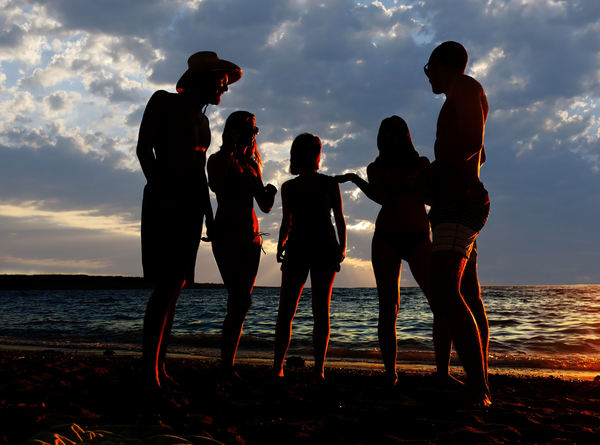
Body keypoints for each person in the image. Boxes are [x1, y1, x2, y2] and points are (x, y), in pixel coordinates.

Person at [137, 51, 241, 390]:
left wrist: (209, 217)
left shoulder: (205, 121)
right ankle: (148, 371)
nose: (224, 89)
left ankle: (160, 366)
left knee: (178, 285)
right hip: (164, 200)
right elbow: (143, 150)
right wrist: (160, 190)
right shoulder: (164, 102)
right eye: (221, 82)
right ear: (205, 78)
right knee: (166, 284)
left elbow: (198, 173)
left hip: (192, 205)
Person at [336, 116, 432, 386]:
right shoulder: (375, 167)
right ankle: (391, 372)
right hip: (386, 236)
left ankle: (444, 372)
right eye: (385, 134)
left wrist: (412, 181)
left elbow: (427, 194)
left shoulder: (421, 163)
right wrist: (356, 178)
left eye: (394, 133)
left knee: (438, 301)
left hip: (418, 234)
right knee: (388, 306)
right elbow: (383, 197)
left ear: (404, 136)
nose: (388, 139)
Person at [423, 41, 491, 405]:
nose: (427, 75)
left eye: (428, 67)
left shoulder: (465, 88)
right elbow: (482, 153)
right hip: (460, 198)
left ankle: (478, 387)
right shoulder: (469, 95)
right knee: (467, 296)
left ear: (442, 64)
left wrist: (433, 172)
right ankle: (477, 382)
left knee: (446, 292)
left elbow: (473, 144)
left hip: (459, 201)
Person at [207, 111, 277, 377]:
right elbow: (218, 185)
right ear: (233, 130)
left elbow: (265, 205)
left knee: (241, 302)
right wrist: (230, 148)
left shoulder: (253, 164)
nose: (252, 134)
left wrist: (270, 191)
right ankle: (226, 364)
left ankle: (227, 363)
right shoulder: (217, 160)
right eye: (248, 129)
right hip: (226, 234)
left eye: (254, 130)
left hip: (252, 237)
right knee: (240, 299)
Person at [273, 133, 346, 380]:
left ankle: (279, 367)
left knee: (287, 310)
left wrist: (281, 244)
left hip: (303, 246)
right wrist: (342, 246)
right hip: (321, 245)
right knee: (319, 310)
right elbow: (339, 220)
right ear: (316, 155)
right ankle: (318, 370)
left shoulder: (290, 187)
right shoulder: (327, 184)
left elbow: (288, 222)